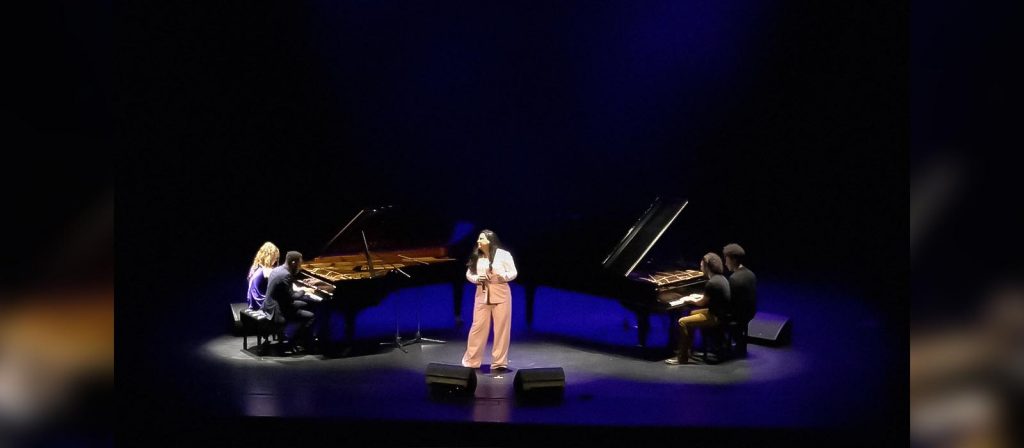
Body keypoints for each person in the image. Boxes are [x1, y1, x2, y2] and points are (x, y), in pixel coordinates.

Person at [462, 230, 517, 371]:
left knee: (501, 329)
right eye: (478, 239)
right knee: (478, 327)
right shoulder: (477, 255)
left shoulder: (504, 255)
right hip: (482, 294)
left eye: (481, 239)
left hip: (501, 294)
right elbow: (469, 273)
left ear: (490, 240)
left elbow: (513, 272)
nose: (478, 241)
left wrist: (503, 276)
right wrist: (477, 278)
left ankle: (499, 362)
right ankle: (472, 361)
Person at [665, 252, 730, 365]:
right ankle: (688, 350)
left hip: (715, 317)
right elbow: (708, 298)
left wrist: (689, 299)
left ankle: (682, 358)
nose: (700, 268)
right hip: (720, 313)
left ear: (707, 266)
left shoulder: (712, 283)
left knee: (682, 322)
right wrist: (697, 297)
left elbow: (701, 303)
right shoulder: (721, 279)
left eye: (701, 265)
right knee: (691, 314)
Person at [265, 251, 318, 352]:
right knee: (311, 316)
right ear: (293, 262)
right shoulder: (286, 275)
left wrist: (299, 290)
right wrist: (304, 290)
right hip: (278, 310)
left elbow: (285, 293)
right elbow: (292, 296)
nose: (300, 266)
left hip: (271, 304)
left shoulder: (277, 270)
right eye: (299, 263)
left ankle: (304, 339)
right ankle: (296, 340)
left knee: (307, 304)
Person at [723, 243, 757, 327]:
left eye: (726, 260)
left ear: (734, 260)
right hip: (750, 314)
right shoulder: (751, 274)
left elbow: (730, 303)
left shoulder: (734, 278)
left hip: (738, 318)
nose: (725, 263)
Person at [246, 242, 280, 311]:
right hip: (262, 307)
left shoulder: (254, 267)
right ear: (270, 256)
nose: (276, 260)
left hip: (252, 304)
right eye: (275, 257)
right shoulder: (266, 270)